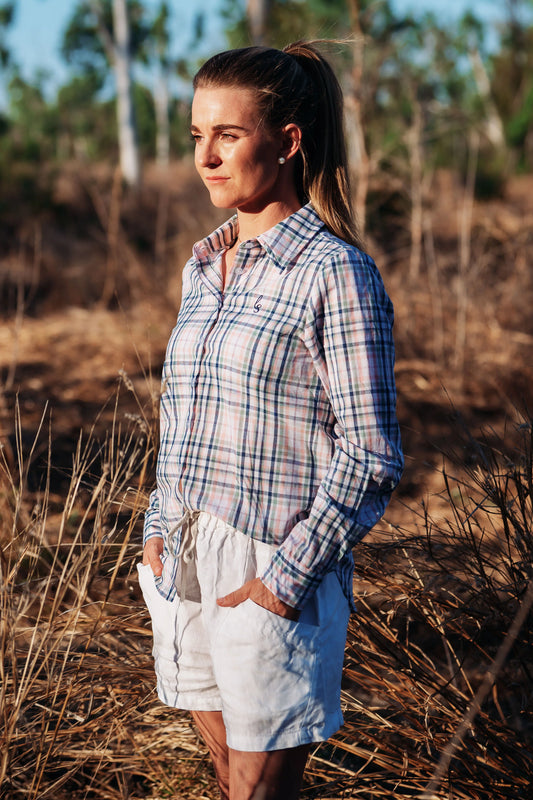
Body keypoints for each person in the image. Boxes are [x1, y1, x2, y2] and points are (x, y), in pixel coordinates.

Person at [138, 41, 403, 800]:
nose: (207, 158)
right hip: (182, 557)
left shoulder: (334, 275)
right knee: (227, 778)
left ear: (287, 142)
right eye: (197, 137)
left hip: (271, 559)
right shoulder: (202, 267)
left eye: (229, 135)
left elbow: (370, 454)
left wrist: (283, 582)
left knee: (260, 791)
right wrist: (156, 527)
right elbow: (181, 416)